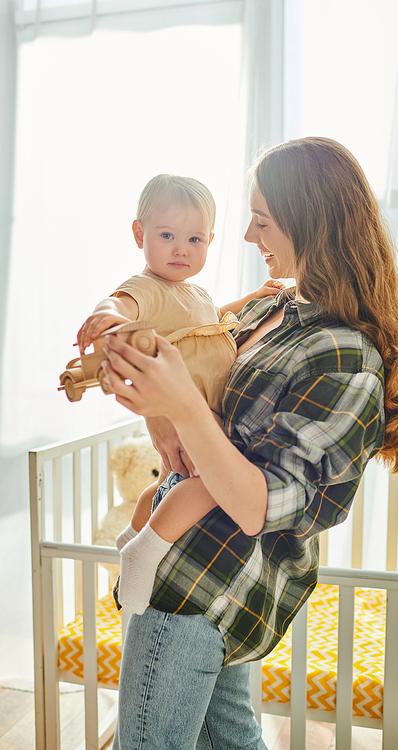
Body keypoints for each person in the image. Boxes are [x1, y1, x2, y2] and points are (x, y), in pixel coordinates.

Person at [101, 137, 398, 750]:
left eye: (263, 220)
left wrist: (179, 405)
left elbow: (259, 505)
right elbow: (201, 386)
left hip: (207, 581)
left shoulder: (344, 356)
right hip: (203, 573)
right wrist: (159, 412)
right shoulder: (271, 310)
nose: (250, 237)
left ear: (311, 223)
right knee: (232, 738)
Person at [76, 174, 283, 588]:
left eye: (195, 240)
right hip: (195, 413)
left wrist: (249, 300)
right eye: (167, 235)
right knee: (209, 482)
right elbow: (121, 301)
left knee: (169, 486)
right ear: (139, 234)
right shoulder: (148, 287)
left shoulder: (194, 292)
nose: (180, 249)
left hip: (203, 412)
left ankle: (132, 533)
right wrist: (109, 315)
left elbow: (207, 321)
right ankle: (143, 551)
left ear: (209, 240)